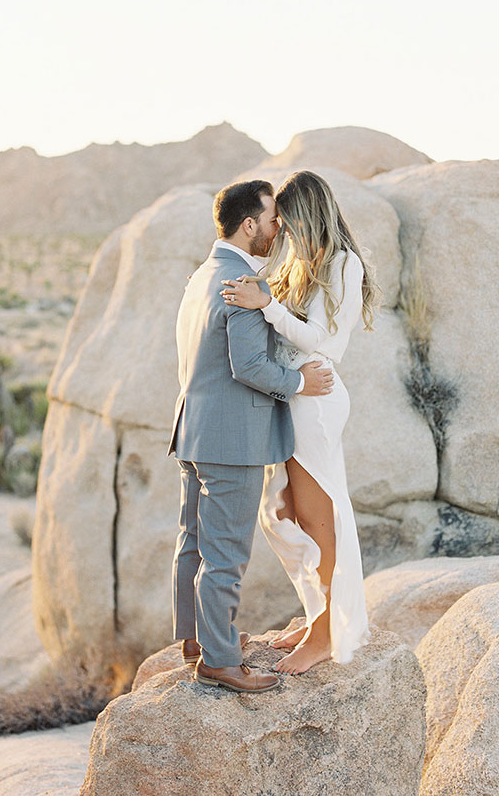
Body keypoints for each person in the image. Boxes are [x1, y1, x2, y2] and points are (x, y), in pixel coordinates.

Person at [168, 178, 335, 694]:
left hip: (193, 430)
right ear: (249, 225)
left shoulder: (203, 275)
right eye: (271, 220)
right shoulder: (240, 283)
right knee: (226, 554)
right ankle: (219, 659)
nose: (277, 228)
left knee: (192, 543)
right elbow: (251, 366)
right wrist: (301, 382)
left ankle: (198, 641)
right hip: (232, 440)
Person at [220, 170, 379, 675]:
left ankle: (327, 632)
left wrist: (268, 306)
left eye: (287, 223)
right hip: (292, 396)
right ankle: (317, 614)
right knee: (279, 511)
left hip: (317, 397)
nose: (283, 234)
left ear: (309, 214)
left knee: (317, 518)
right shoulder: (303, 264)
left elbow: (325, 342)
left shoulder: (344, 265)